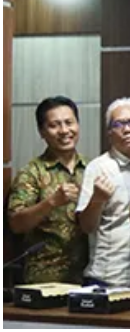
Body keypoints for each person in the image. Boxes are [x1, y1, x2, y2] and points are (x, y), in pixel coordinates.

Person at [7, 96, 88, 284]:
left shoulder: (92, 168)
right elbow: (16, 224)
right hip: (45, 278)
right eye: (54, 125)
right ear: (42, 132)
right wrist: (51, 202)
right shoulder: (31, 173)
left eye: (69, 122)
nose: (64, 130)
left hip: (87, 277)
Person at [76, 98, 130, 289]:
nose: (127, 129)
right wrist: (97, 200)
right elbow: (86, 226)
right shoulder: (98, 168)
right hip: (108, 278)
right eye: (118, 124)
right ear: (109, 134)